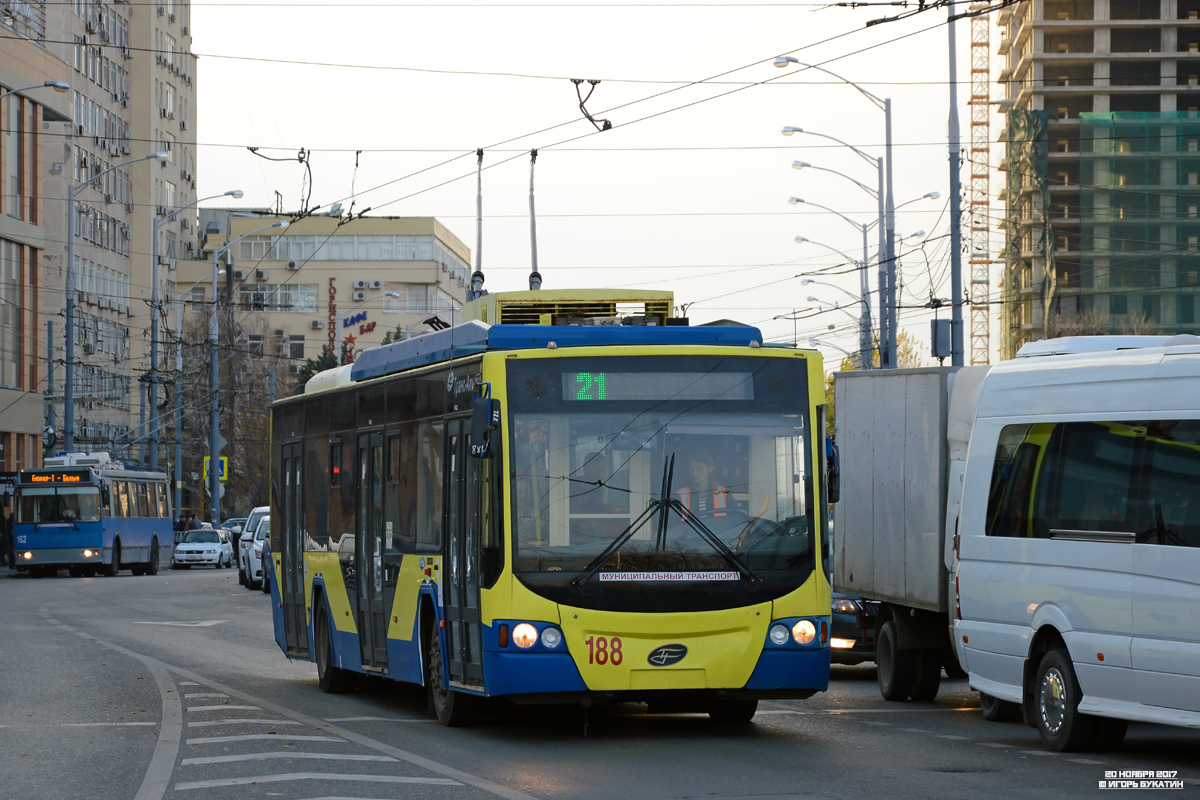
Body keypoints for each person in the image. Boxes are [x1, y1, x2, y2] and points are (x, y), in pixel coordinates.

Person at [674, 451, 729, 519]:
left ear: (710, 469)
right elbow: (673, 525)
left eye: (699, 468)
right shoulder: (680, 496)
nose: (694, 472)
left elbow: (734, 521)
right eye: (691, 468)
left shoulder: (723, 493)